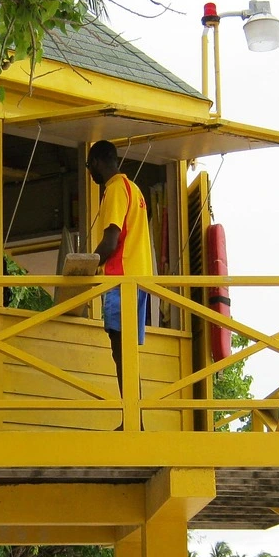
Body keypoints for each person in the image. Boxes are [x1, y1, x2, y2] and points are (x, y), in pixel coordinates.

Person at [88, 139, 153, 397]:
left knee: (120, 350)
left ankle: (131, 422)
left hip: (121, 279)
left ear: (95, 163)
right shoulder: (134, 189)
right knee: (128, 353)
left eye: (88, 167)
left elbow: (111, 241)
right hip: (138, 280)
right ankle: (134, 421)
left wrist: (89, 265)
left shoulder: (115, 189)